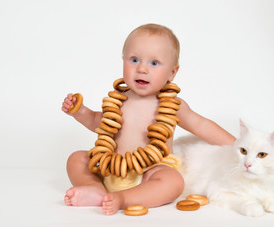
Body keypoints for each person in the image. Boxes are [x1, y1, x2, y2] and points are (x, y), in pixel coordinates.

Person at [61, 23, 235, 215]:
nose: (142, 69)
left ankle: (124, 198)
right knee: (77, 159)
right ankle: (95, 188)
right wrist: (80, 112)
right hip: (111, 167)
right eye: (134, 59)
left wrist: (237, 145)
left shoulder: (172, 105)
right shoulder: (118, 100)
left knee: (173, 181)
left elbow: (202, 126)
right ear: (123, 61)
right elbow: (98, 123)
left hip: (149, 172)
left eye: (154, 63)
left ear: (172, 73)